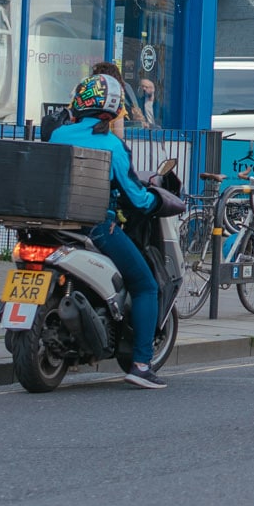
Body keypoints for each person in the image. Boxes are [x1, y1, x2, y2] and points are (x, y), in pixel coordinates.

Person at [49, 73, 165, 389]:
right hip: (96, 228)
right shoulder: (111, 144)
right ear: (110, 112)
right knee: (145, 284)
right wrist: (155, 199)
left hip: (53, 227)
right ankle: (141, 364)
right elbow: (137, 198)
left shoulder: (58, 135)